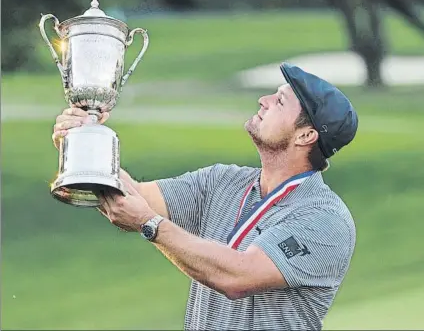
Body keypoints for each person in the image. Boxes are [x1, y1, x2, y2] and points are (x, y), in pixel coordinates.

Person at [52, 62, 359, 331]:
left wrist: (150, 225)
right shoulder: (222, 181)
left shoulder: (325, 219)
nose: (262, 101)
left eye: (279, 101)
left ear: (306, 136)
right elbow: (135, 199)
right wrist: (85, 145)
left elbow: (238, 276)